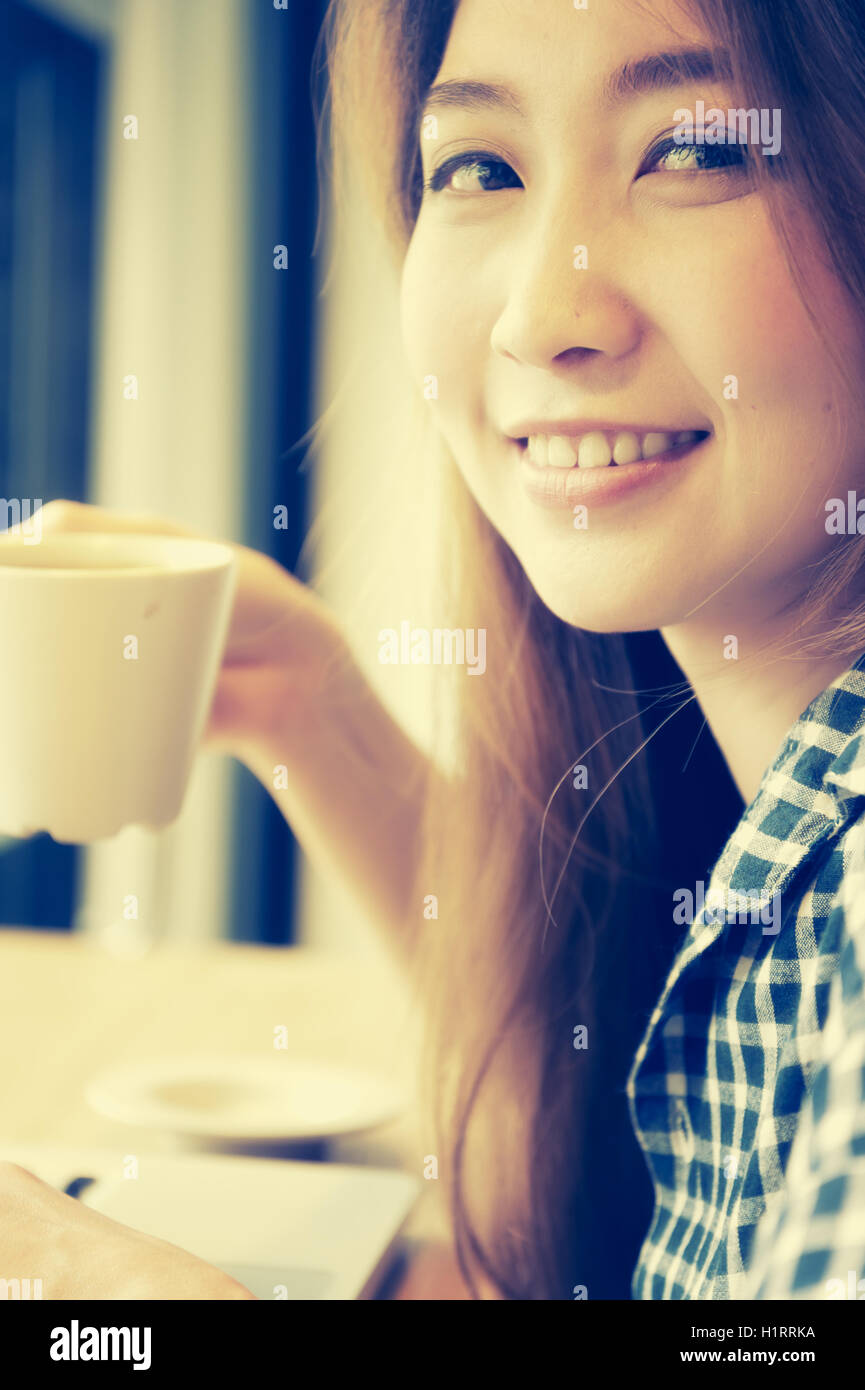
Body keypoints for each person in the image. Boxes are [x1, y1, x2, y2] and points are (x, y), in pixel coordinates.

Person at [4, 0, 865, 1300]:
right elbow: (599, 1169)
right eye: (478, 167)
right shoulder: (769, 842)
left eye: (693, 149)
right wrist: (316, 715)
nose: (541, 314)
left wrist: (95, 1301)